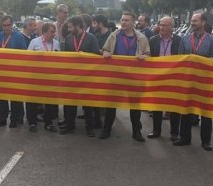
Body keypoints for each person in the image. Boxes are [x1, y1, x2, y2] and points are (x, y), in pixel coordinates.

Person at [101, 12, 150, 141]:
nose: (123, 22)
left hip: (134, 77)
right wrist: (105, 53)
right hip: (115, 76)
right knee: (111, 104)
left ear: (133, 22)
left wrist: (145, 57)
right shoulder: (113, 36)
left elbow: (148, 54)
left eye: (126, 20)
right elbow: (104, 49)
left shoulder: (141, 38)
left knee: (135, 105)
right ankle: (106, 129)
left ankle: (136, 131)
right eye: (122, 20)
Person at [174, 13, 213, 151]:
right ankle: (184, 138)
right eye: (191, 20)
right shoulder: (185, 39)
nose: (192, 23)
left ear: (203, 22)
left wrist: (203, 61)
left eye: (195, 20)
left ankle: (206, 141)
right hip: (188, 80)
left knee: (206, 112)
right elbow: (180, 58)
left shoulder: (212, 40)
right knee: (185, 109)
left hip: (205, 81)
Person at [58, 16, 101, 136]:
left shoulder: (91, 38)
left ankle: (90, 127)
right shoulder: (68, 38)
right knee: (70, 102)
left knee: (88, 104)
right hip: (72, 76)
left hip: (88, 77)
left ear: (78, 26)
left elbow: (96, 57)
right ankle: (70, 125)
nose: (69, 29)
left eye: (71, 27)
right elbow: (66, 57)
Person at [148, 16, 182, 140]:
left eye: (165, 25)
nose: (161, 27)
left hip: (173, 78)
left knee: (174, 106)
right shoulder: (152, 40)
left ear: (172, 27)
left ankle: (174, 133)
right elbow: (149, 57)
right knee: (156, 105)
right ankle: (156, 131)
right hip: (157, 77)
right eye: (160, 24)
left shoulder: (180, 41)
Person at [0, 15, 27, 127]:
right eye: (4, 25)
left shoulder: (19, 36)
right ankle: (2, 118)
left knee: (15, 96)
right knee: (2, 96)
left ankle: (15, 118)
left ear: (12, 25)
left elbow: (23, 52)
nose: (7, 27)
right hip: (1, 70)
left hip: (14, 70)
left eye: (9, 25)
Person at [27, 22, 61, 132]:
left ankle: (49, 123)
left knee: (50, 102)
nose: (53, 34)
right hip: (35, 77)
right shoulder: (34, 42)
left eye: (54, 31)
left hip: (51, 78)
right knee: (32, 101)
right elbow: (27, 58)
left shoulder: (56, 43)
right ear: (44, 32)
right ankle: (32, 122)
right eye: (51, 32)